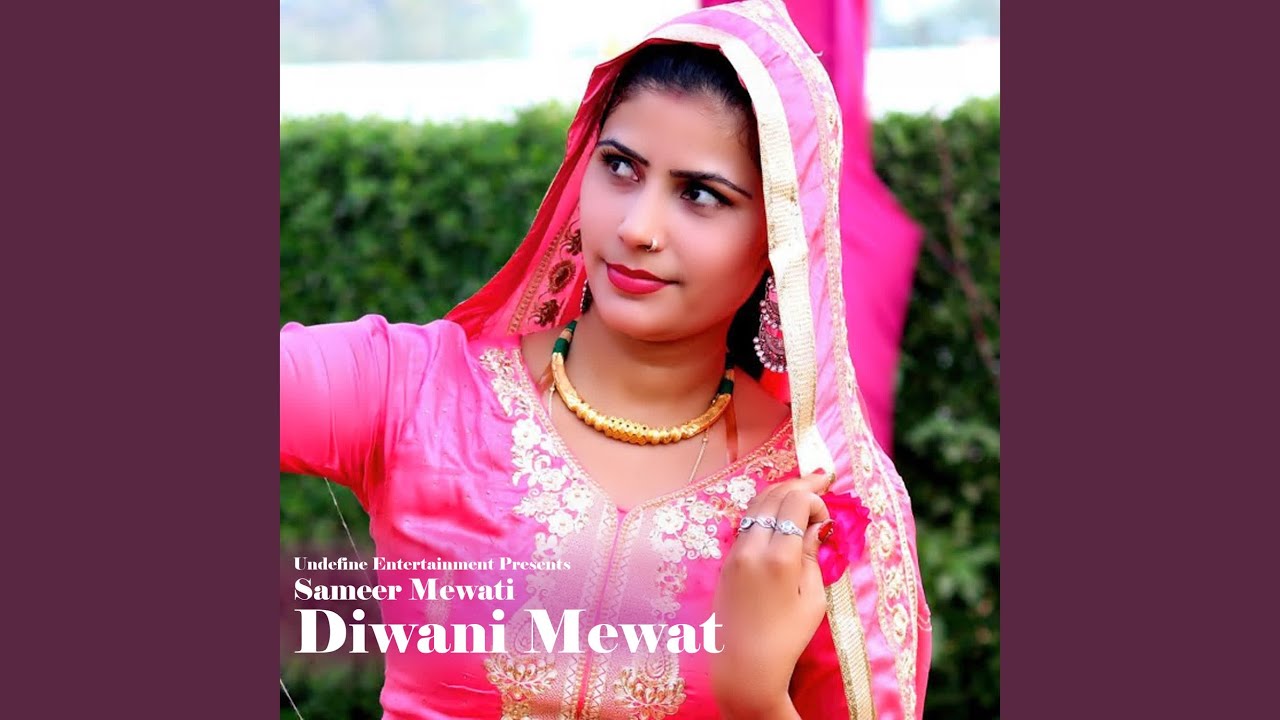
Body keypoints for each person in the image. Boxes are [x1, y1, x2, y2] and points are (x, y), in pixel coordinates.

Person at [280, 1, 930, 718]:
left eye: (700, 195)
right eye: (620, 167)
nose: (637, 227)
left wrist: (756, 695)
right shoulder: (421, 392)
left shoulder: (821, 507)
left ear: (780, 237)